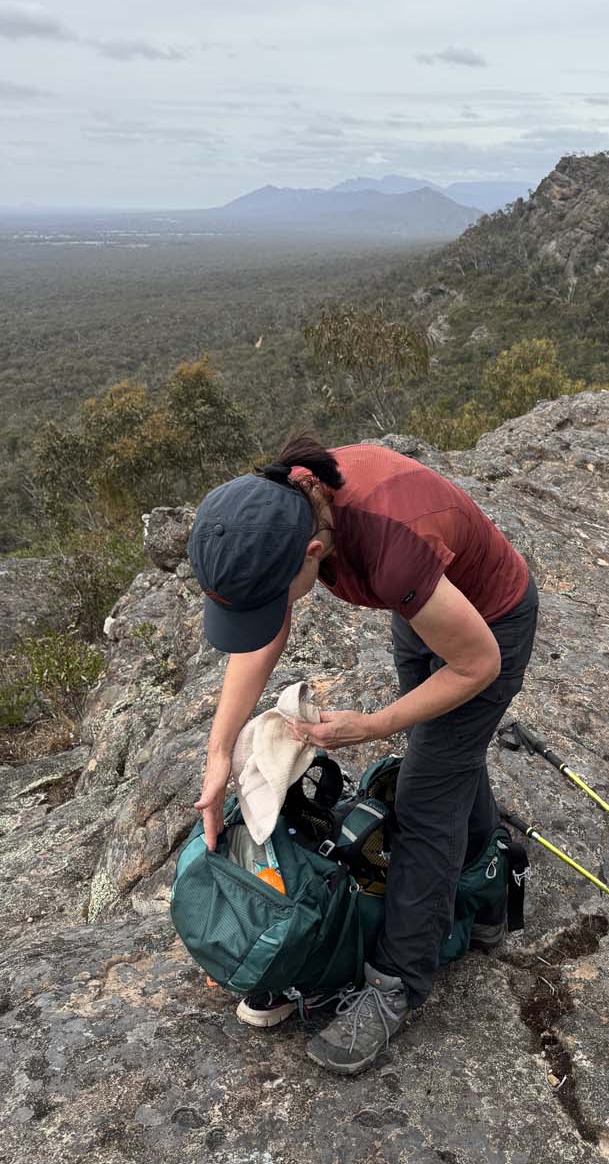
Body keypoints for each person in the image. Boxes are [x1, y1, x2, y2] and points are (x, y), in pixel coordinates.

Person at [188, 433, 538, 1076]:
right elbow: (267, 632)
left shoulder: (388, 550)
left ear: (314, 553)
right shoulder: (287, 501)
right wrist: (218, 753)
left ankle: (397, 982)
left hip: (488, 626)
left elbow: (476, 663)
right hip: (424, 609)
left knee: (427, 799)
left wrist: (371, 725)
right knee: (447, 756)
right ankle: (486, 888)